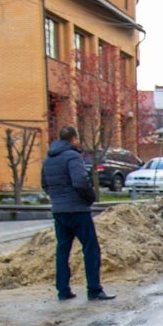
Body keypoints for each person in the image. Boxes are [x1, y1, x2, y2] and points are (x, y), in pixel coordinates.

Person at [40, 125, 114, 301]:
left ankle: (63, 290)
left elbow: (44, 184)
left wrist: (57, 198)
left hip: (59, 210)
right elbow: (80, 181)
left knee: (63, 249)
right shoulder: (73, 156)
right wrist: (90, 198)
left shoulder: (48, 159)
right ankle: (94, 290)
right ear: (73, 138)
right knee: (91, 248)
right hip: (77, 209)